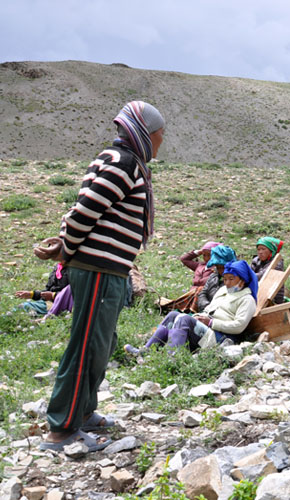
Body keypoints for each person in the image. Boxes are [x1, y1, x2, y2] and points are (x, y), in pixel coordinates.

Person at [34, 101, 165, 452]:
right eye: (160, 134)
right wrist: (66, 248)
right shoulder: (123, 163)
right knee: (87, 344)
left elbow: (83, 210)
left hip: (109, 269)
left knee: (101, 342)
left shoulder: (118, 159)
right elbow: (84, 212)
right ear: (143, 132)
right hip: (98, 269)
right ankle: (62, 429)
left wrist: (66, 243)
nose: (161, 141)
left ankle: (84, 411)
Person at [124, 260, 257, 353]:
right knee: (173, 315)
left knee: (184, 319)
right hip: (207, 327)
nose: (227, 283)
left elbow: (239, 326)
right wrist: (199, 317)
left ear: (242, 280)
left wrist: (211, 322)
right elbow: (210, 309)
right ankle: (145, 350)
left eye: (231, 279)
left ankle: (172, 357)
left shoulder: (247, 300)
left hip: (220, 337)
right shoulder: (223, 291)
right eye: (225, 279)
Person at [159, 241, 220, 312]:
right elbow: (184, 259)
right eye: (204, 255)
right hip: (190, 295)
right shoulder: (200, 266)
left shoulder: (217, 268)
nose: (206, 258)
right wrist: (199, 252)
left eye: (209, 255)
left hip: (204, 296)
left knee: (199, 290)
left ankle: (187, 309)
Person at [196, 244, 237, 312]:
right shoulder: (213, 276)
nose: (221, 271)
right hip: (207, 310)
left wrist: (213, 310)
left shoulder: (236, 280)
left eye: (223, 267)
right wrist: (206, 305)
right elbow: (203, 293)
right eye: (218, 267)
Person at [250, 236, 285, 303]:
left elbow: (264, 275)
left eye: (263, 249)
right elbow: (250, 271)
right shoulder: (256, 260)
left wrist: (248, 276)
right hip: (258, 292)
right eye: (258, 249)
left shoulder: (277, 262)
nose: (260, 252)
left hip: (272, 297)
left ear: (271, 250)